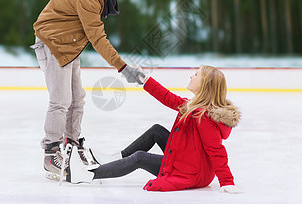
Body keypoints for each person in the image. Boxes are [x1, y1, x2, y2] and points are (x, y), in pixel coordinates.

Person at [31, 0, 144, 179]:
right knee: (61, 99)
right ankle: (51, 155)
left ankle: (70, 145)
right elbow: (97, 38)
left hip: (69, 43)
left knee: (77, 98)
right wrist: (123, 68)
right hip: (53, 41)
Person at [66, 65, 243, 193]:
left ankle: (87, 175)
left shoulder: (204, 117)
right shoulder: (192, 106)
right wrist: (144, 79)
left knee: (140, 158)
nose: (191, 76)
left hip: (191, 172)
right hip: (190, 161)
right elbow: (167, 97)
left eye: (196, 74)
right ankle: (115, 158)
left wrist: (227, 181)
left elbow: (216, 150)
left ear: (205, 85)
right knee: (156, 130)